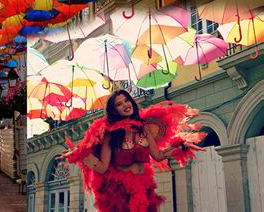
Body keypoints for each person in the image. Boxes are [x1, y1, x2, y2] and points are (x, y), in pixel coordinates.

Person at [59, 90, 205, 212]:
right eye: (119, 104)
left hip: (145, 188)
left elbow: (158, 156)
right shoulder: (111, 134)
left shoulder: (144, 128)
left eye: (126, 100)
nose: (125, 105)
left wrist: (181, 146)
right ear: (114, 110)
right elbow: (103, 167)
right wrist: (80, 155)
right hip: (120, 193)